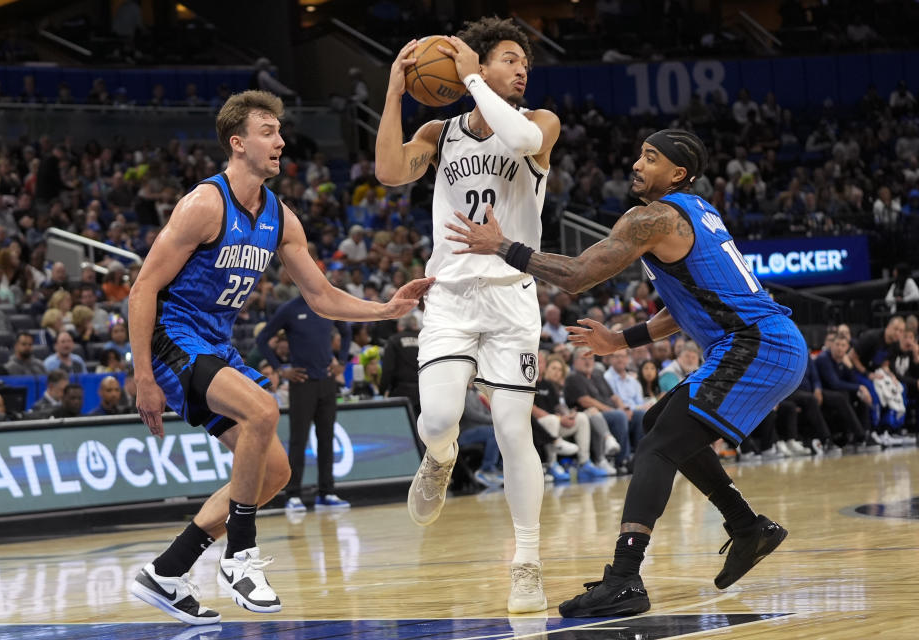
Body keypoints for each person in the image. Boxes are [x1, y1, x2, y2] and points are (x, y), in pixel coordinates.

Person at [448, 128, 806, 617]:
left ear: (677, 174)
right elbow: (687, 305)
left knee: (657, 446)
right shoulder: (699, 211)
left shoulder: (654, 218)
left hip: (756, 345)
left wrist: (503, 246)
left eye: (651, 157)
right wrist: (620, 341)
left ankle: (625, 579)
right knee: (659, 426)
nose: (637, 163)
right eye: (639, 153)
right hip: (765, 343)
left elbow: (577, 275)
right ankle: (746, 527)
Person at [127, 90, 432, 625]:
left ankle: (167, 572)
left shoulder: (280, 218)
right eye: (268, 130)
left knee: (274, 473)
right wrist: (143, 377)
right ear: (237, 142)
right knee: (263, 410)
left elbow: (321, 295)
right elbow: (142, 289)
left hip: (216, 344)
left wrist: (385, 309)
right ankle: (240, 555)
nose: (281, 140)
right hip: (172, 339)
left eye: (280, 130)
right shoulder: (204, 204)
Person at [374, 17, 560, 613]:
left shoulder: (538, 123)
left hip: (511, 294)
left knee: (513, 431)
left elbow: (526, 146)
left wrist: (476, 79)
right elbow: (387, 172)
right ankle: (440, 457)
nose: (521, 68)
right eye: (509, 58)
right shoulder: (440, 130)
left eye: (523, 62)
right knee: (437, 418)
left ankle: (526, 563)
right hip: (451, 295)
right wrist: (394, 94)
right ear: (482, 62)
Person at [254, 295, 352, 513]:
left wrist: (342, 361)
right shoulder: (289, 309)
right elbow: (262, 339)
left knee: (326, 438)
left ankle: (326, 492)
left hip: (327, 382)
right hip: (302, 382)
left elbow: (346, 332)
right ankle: (293, 494)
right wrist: (280, 368)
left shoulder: (326, 304)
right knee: (299, 440)